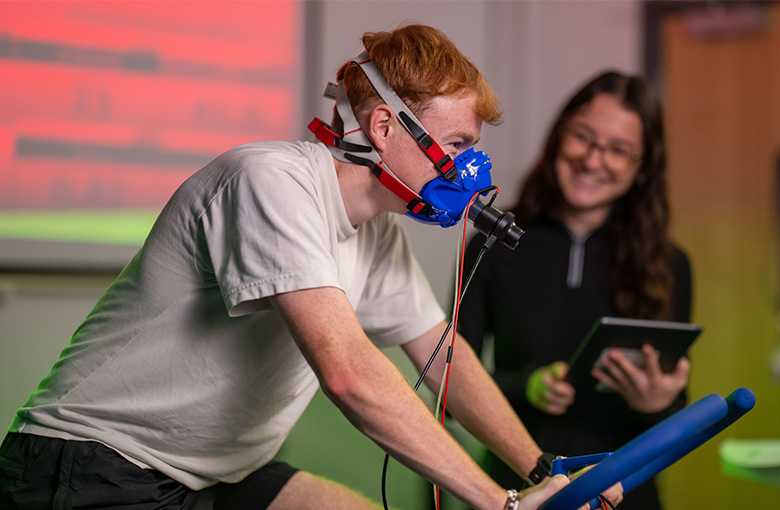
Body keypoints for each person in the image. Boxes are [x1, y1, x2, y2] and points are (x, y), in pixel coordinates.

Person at [0, 26, 623, 510]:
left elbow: (446, 357)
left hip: (218, 471)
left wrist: (546, 472)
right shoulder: (271, 182)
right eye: (459, 145)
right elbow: (349, 375)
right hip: (93, 465)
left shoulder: (374, 231)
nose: (471, 169)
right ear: (384, 126)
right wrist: (497, 501)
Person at [458, 70, 692, 510]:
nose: (593, 159)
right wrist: (524, 386)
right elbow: (449, 389)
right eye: (583, 137)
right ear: (558, 137)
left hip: (625, 498)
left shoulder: (669, 265)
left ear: (642, 168)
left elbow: (675, 419)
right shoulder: (493, 242)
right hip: (517, 491)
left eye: (619, 151)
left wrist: (657, 404)